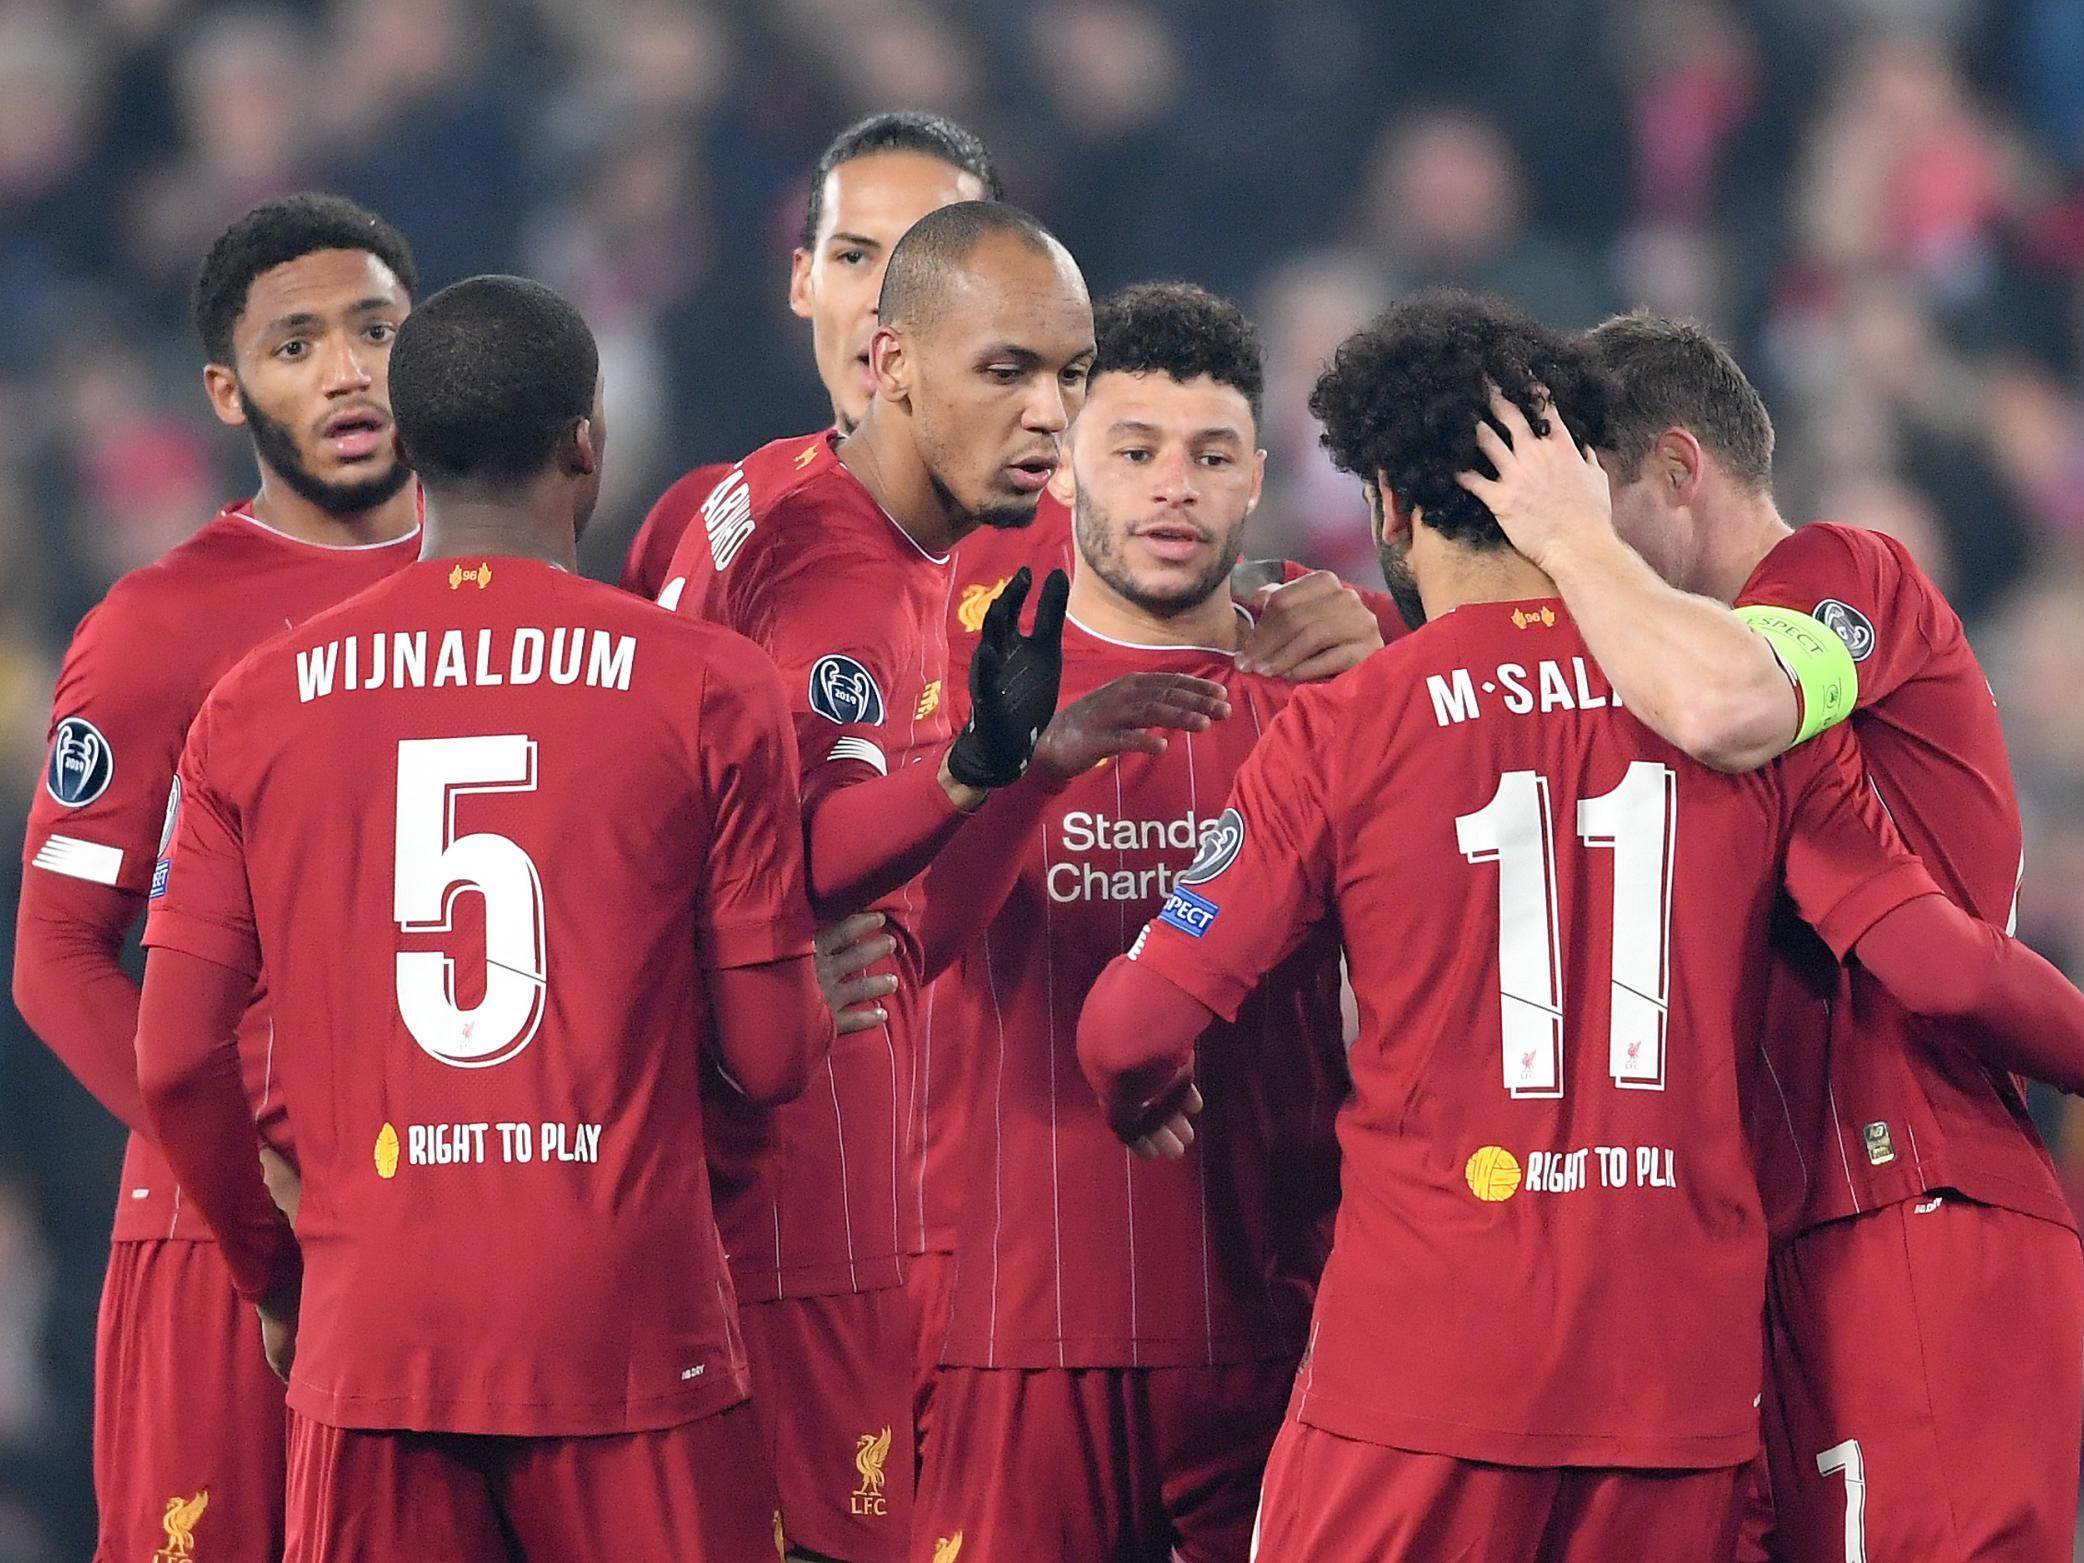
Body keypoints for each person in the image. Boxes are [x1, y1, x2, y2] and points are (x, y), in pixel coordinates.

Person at [1072, 290, 2084, 1563]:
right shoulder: (1748, 726)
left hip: (1427, 1369)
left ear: (1386, 504)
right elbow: (1923, 947)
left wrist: (1135, 1086)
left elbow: (1129, 1024)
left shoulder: (1370, 722)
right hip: (1683, 1380)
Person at [134, 273, 833, 1560]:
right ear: (587, 440)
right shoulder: (710, 688)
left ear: (405, 446)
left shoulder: (254, 699)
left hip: (374, 1330)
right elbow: (775, 1055)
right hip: (632, 1326)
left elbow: (174, 1057)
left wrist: (276, 1277)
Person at [665, 200, 1229, 1563]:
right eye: (1007, 371)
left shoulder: (790, 499)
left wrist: (1022, 777)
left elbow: (898, 919)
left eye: (1072, 373)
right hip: (779, 1201)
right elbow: (808, 860)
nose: (1052, 415)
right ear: (894, 362)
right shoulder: (843, 581)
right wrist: (974, 768)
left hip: (771, 1181)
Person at [1472, 312, 2084, 1561]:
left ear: (1677, 472)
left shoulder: (1843, 574)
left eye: (1584, 512)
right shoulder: (1639, 695)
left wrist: (1577, 546)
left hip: (1912, 1200)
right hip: (1769, 1241)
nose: (1555, 566)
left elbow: (1731, 704)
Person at [12, 192, 423, 1562]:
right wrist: (244, 1178)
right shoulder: (157, 626)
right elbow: (58, 953)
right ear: (226, 389)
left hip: (463, 1215)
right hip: (230, 1235)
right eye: (296, 342)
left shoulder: (524, 594)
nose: (348, 367)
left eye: (375, 330)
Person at [912, 281, 1348, 1563]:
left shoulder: (1333, 689)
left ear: (1257, 476)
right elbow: (908, 936)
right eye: (1136, 451)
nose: (1174, 488)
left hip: (1271, 1325)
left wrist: (1384, 663)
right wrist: (1024, 771)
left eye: (1211, 457)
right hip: (1013, 1328)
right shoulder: (966, 682)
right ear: (1064, 475)